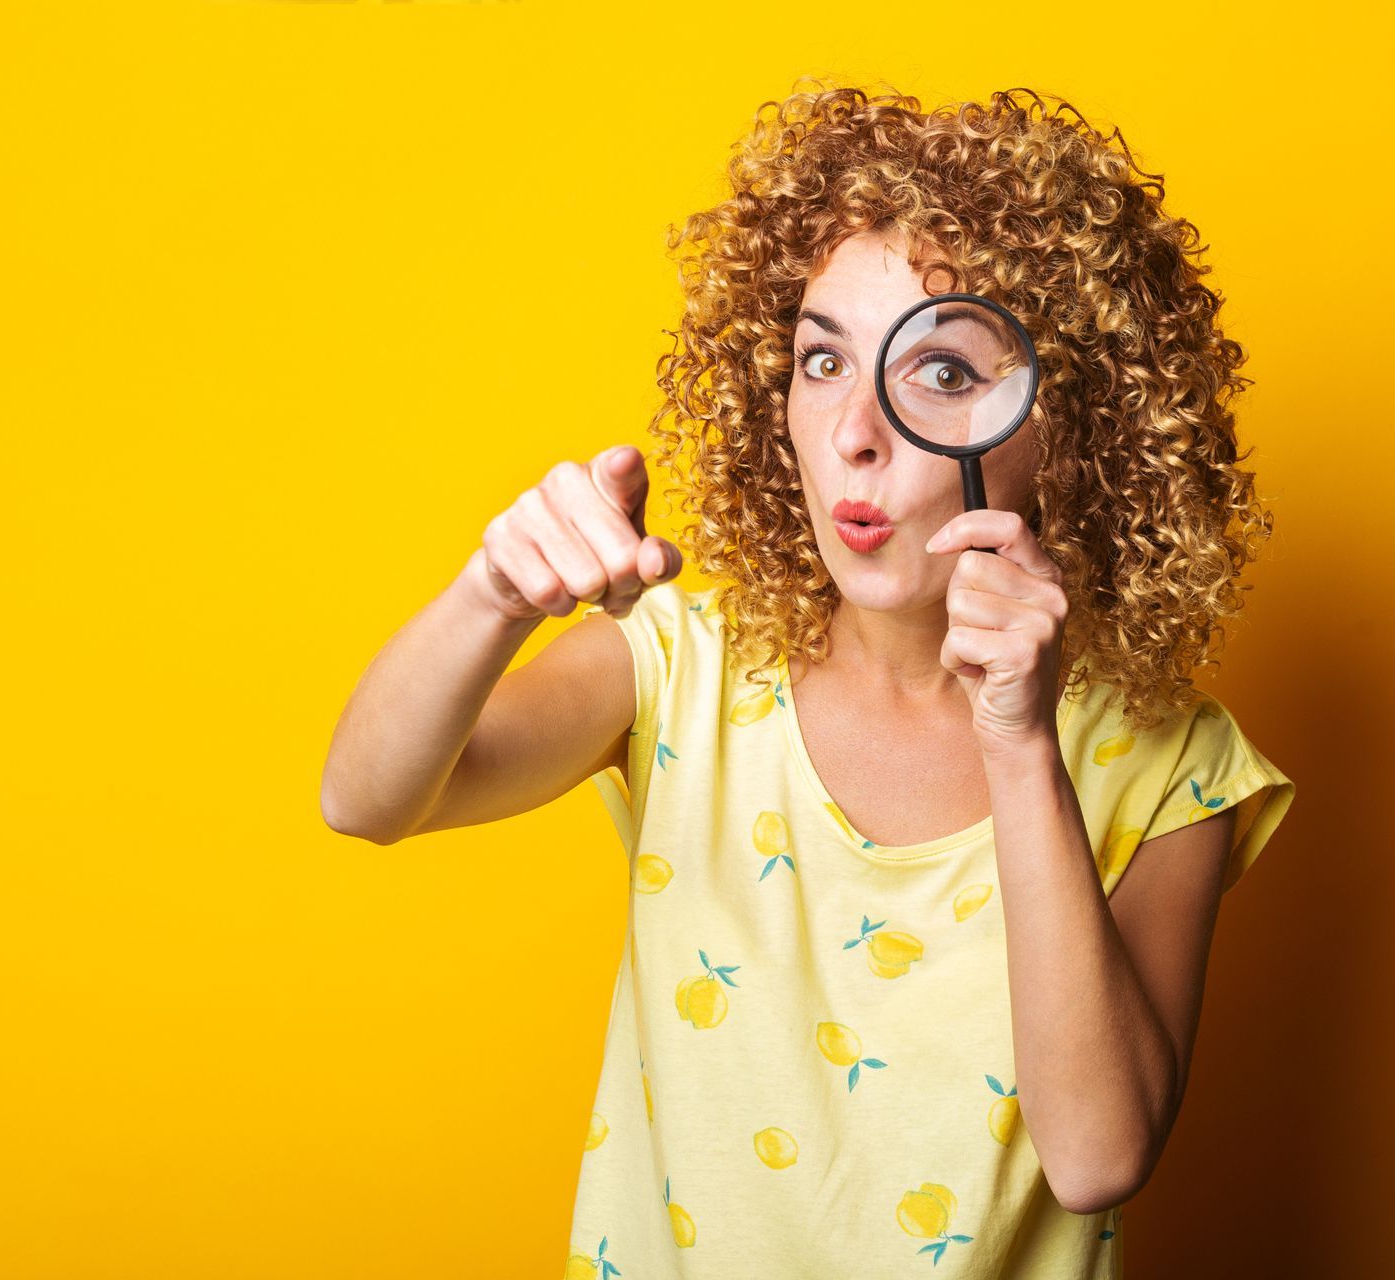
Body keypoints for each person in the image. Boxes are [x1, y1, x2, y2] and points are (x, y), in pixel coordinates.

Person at [319, 82, 1295, 1277]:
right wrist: (491, 595)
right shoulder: (682, 661)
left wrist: (1021, 742)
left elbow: (1097, 1153)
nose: (853, 431)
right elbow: (366, 798)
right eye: (821, 358)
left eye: (939, 372)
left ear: (1075, 423)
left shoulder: (1168, 764)